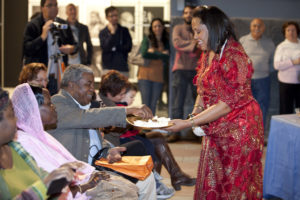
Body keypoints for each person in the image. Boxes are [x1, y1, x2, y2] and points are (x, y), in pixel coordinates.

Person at [165, 6, 264, 199]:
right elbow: (202, 88)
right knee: (213, 178)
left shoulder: (235, 56)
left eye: (198, 31)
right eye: (194, 31)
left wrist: (188, 123)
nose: (195, 37)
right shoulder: (207, 53)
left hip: (239, 129)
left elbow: (228, 103)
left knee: (233, 183)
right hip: (216, 126)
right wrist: (195, 113)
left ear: (214, 27)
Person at [12, 83, 139, 199]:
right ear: (33, 109)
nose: (53, 107)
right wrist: (85, 184)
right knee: (127, 191)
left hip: (87, 171)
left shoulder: (40, 134)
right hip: (75, 186)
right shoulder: (26, 140)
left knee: (132, 186)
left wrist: (106, 154)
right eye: (49, 104)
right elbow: (53, 181)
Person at [48, 64, 156, 200]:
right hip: (78, 176)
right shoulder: (57, 103)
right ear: (72, 85)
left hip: (97, 167)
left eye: (93, 84)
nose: (93, 89)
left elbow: (95, 139)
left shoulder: (83, 105)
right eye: (89, 84)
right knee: (126, 191)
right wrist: (128, 110)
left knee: (146, 177)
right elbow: (89, 117)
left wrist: (109, 150)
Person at [99, 70, 196, 192]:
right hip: (116, 143)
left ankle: (176, 175)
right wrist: (135, 121)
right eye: (121, 94)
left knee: (157, 136)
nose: (123, 96)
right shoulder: (102, 104)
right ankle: (155, 183)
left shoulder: (113, 100)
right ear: (109, 93)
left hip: (124, 137)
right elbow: (113, 126)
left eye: (124, 93)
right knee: (150, 143)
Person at [0, 87, 83, 199]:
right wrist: (45, 186)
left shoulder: (15, 148)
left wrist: (59, 179)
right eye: (11, 115)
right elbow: (44, 185)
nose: (16, 120)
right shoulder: (23, 140)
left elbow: (43, 177)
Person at [23, 0, 77, 95]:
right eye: (50, 5)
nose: (54, 8)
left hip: (58, 74)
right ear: (42, 8)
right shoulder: (33, 25)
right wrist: (42, 37)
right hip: (39, 76)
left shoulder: (62, 24)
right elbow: (27, 49)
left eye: (56, 5)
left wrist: (71, 48)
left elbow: (75, 45)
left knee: (57, 102)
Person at [168, 5, 201, 143]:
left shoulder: (198, 29)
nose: (188, 15)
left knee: (199, 104)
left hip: (196, 70)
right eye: (186, 13)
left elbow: (201, 45)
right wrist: (193, 44)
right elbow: (177, 44)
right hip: (180, 69)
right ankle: (175, 133)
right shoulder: (177, 28)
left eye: (191, 13)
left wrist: (190, 44)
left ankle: (197, 132)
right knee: (177, 103)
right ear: (183, 15)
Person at [239, 18, 275, 128]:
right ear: (250, 27)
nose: (256, 28)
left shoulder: (269, 43)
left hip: (263, 80)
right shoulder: (243, 40)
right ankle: (245, 136)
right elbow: (237, 59)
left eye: (259, 26)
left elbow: (274, 61)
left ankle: (259, 136)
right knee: (244, 108)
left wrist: (265, 69)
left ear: (263, 28)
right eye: (254, 26)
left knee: (262, 108)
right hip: (245, 80)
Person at [137, 18, 169, 115]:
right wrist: (160, 53)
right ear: (152, 28)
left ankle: (150, 127)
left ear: (163, 27)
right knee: (145, 104)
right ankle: (143, 128)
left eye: (159, 26)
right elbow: (145, 54)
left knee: (153, 104)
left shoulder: (166, 41)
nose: (157, 28)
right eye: (155, 26)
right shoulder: (147, 39)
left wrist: (153, 52)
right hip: (144, 75)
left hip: (158, 76)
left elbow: (167, 57)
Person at [274, 21, 300, 114]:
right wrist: (294, 62)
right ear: (284, 33)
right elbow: (277, 65)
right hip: (286, 84)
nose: (291, 32)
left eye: (293, 30)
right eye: (288, 30)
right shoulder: (281, 47)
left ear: (297, 31)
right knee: (286, 111)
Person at [99, 6, 132, 77]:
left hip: (122, 68)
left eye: (116, 15)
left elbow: (128, 47)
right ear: (107, 18)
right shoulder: (103, 32)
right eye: (111, 16)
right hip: (107, 68)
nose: (114, 18)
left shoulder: (124, 30)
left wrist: (115, 48)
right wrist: (112, 34)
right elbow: (105, 47)